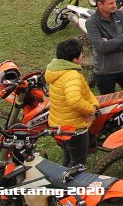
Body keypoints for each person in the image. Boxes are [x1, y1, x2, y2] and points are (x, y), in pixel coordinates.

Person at [45, 38, 98, 168]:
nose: (82, 56)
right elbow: (74, 100)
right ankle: (69, 181)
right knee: (77, 163)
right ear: (74, 59)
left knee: (69, 157)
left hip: (60, 123)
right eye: (81, 54)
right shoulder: (72, 75)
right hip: (74, 127)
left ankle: (61, 178)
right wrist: (91, 109)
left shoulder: (57, 71)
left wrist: (94, 102)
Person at [85, 0, 123, 95]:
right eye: (110, 3)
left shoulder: (120, 15)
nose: (114, 5)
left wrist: (110, 43)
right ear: (100, 4)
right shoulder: (91, 23)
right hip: (105, 73)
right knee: (109, 103)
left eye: (115, 2)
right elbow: (102, 47)